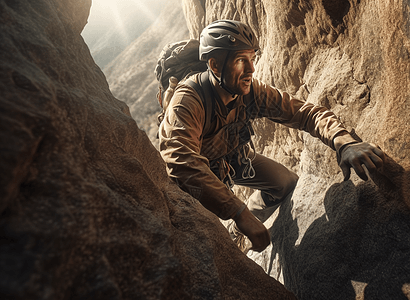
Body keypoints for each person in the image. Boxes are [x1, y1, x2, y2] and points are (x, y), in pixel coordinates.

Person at [159, 20, 385, 253]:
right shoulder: (187, 100)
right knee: (205, 245)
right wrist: (239, 213)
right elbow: (182, 161)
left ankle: (236, 234)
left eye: (252, 59)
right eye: (240, 61)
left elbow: (303, 113)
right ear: (215, 66)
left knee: (285, 182)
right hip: (196, 174)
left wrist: (344, 142)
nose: (251, 69)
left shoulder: (248, 91)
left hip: (235, 159)